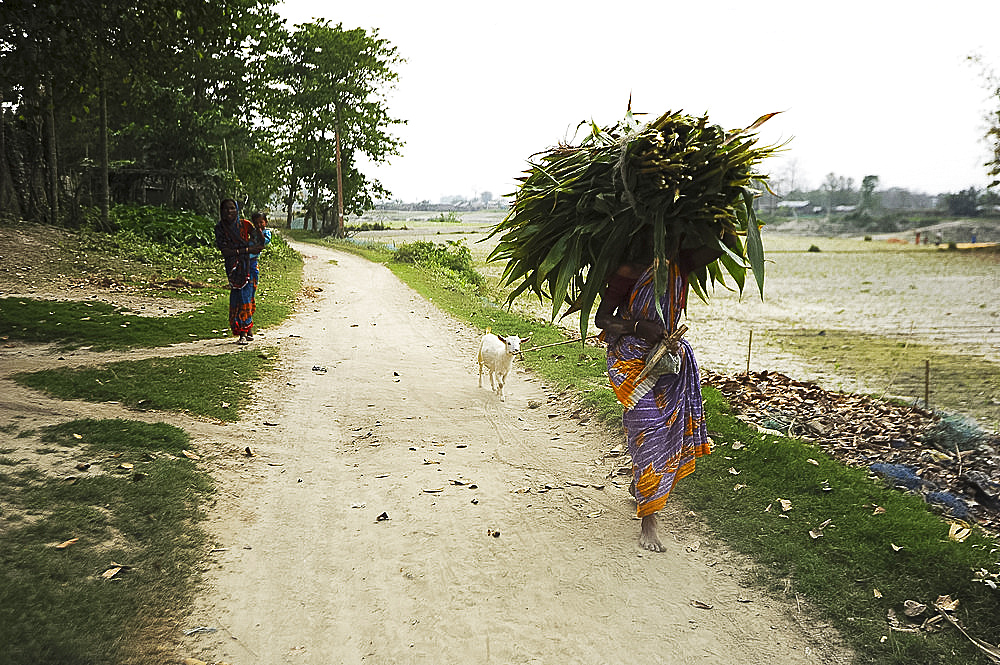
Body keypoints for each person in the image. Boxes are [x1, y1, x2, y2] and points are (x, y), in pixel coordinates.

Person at [594, 233, 728, 552]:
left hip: (667, 358)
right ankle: (650, 520)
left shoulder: (681, 264)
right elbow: (602, 319)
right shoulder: (629, 270)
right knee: (648, 428)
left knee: (668, 428)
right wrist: (638, 327)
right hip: (629, 358)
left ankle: (642, 483)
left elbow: (716, 245)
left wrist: (721, 212)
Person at [214, 198, 265, 345]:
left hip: (250, 265)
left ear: (237, 210)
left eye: (232, 208)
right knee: (239, 297)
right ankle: (243, 331)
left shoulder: (244, 224)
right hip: (234, 268)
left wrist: (261, 235)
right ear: (221, 211)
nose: (229, 211)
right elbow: (226, 252)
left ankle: (246, 329)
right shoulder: (220, 229)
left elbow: (259, 242)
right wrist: (247, 250)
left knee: (248, 296)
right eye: (225, 209)